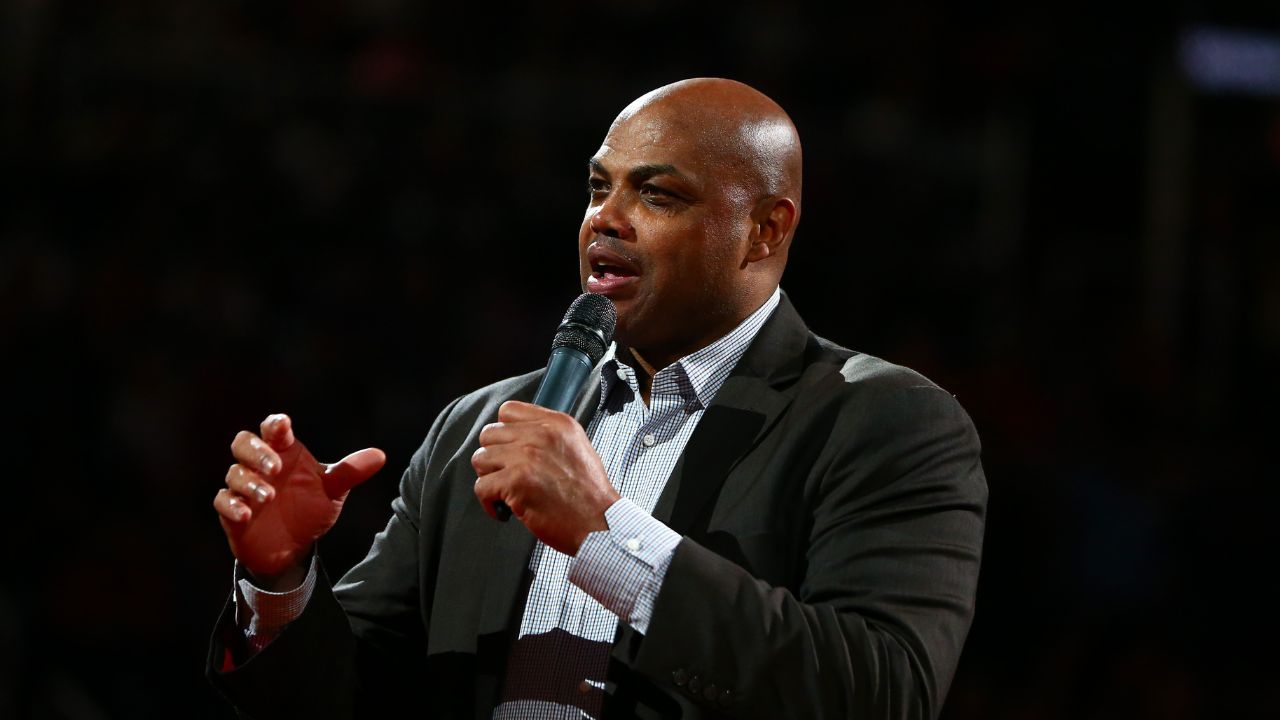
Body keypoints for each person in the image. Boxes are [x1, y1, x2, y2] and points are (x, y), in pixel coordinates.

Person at [207, 77, 987, 720]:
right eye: (597, 187)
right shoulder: (481, 428)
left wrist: (606, 534)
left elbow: (884, 691)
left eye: (658, 195)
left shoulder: (884, 421)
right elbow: (348, 700)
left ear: (763, 229)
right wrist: (282, 583)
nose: (603, 220)